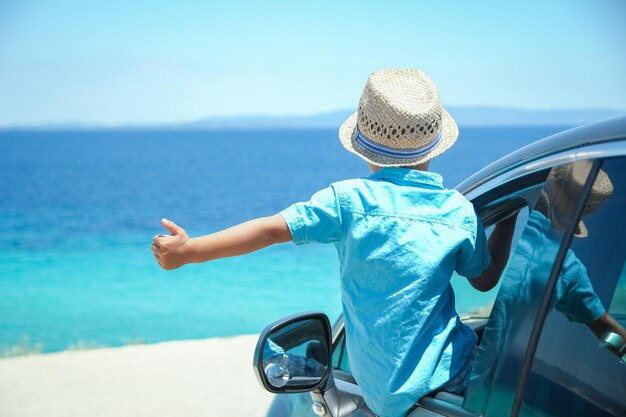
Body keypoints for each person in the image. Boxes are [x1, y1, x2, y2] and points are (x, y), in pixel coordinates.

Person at [151, 69, 516, 417]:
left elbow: (270, 230)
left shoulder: (347, 202)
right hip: (448, 380)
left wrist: (190, 252)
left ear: (363, 149)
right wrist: (511, 217)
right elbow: (483, 280)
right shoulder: (456, 213)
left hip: (377, 392)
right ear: (435, 145)